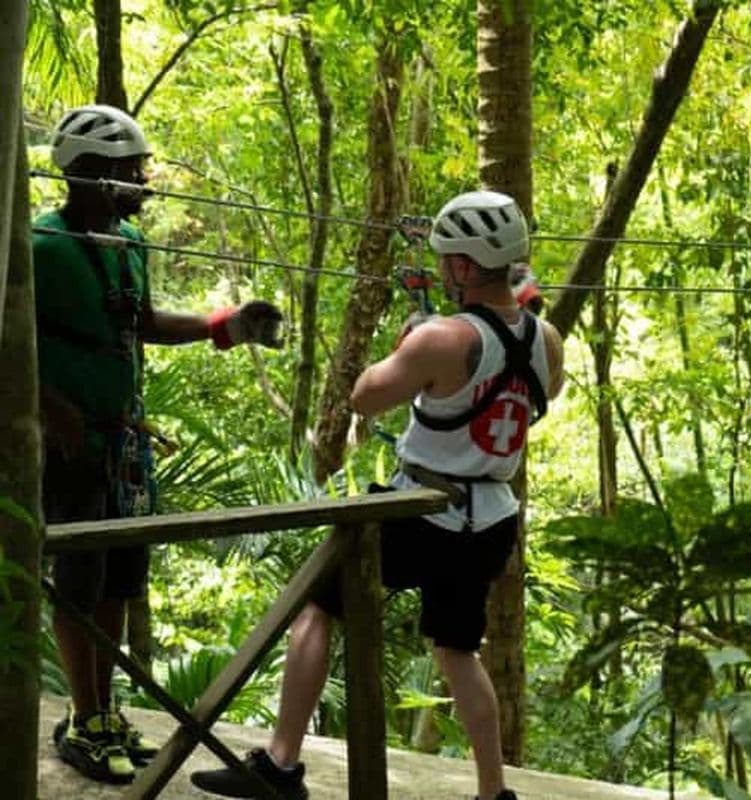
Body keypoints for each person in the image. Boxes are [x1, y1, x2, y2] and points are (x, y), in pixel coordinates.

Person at [190, 190, 564, 800]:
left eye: (448, 260)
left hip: (419, 511)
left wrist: (408, 347)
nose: (443, 270)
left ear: (465, 267)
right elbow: (524, 408)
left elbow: (365, 396)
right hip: (492, 516)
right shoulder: (546, 340)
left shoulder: (441, 338)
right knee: (457, 651)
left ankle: (281, 765)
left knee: (317, 609)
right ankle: (494, 793)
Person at [35, 104, 284, 784]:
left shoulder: (130, 245)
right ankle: (85, 717)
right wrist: (49, 408)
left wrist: (226, 326)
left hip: (120, 442)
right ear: (84, 173)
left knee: (119, 579)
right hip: (69, 446)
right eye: (128, 171)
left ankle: (100, 709)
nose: (143, 182)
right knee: (79, 580)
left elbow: (141, 323)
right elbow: (8, 341)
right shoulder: (40, 248)